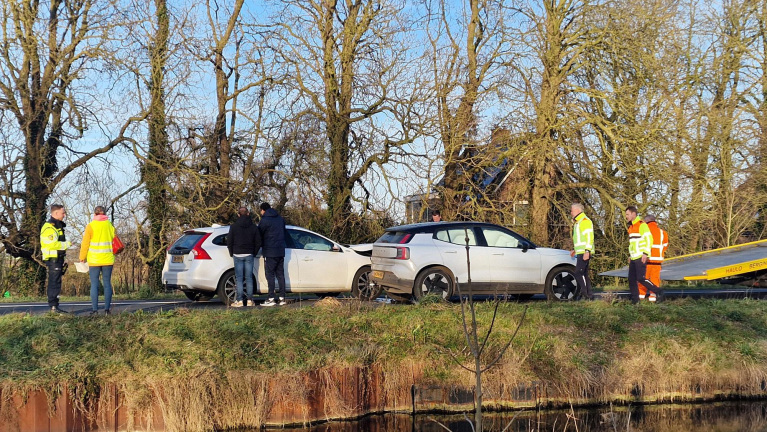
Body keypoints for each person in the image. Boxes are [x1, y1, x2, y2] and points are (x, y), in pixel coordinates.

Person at [79, 206, 117, 315]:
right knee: (107, 284)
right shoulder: (110, 226)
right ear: (105, 213)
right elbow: (114, 241)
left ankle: (95, 310)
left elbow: (85, 243)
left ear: (94, 214)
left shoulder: (90, 226)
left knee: (94, 284)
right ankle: (107, 310)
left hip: (94, 260)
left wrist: (82, 257)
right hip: (108, 259)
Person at [625, 206, 663, 304]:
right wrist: (630, 255)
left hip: (641, 256)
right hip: (634, 257)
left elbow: (649, 239)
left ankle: (658, 291)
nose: (626, 216)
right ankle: (635, 301)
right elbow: (632, 244)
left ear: (634, 214)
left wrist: (645, 253)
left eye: (627, 214)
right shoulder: (631, 227)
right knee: (631, 280)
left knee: (641, 278)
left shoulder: (642, 225)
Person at [227, 206, 262, 307]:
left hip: (237, 253)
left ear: (238, 214)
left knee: (239, 278)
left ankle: (240, 300)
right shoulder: (253, 227)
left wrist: (231, 252)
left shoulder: (233, 227)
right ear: (248, 213)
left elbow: (229, 241)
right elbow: (258, 242)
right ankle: (250, 300)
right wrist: (254, 252)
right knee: (249, 278)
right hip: (249, 254)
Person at [40, 204, 71, 314]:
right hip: (53, 258)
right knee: (54, 282)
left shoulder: (58, 226)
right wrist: (67, 244)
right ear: (56, 213)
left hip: (58, 258)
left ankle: (55, 306)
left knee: (56, 282)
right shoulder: (49, 227)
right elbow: (52, 244)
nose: (64, 215)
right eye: (63, 213)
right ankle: (53, 307)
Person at [258, 202, 286, 307]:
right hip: (280, 251)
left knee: (270, 275)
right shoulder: (280, 219)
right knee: (280, 274)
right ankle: (282, 298)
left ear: (263, 210)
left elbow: (259, 234)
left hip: (270, 251)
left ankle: (271, 298)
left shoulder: (264, 220)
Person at [640, 214, 668, 302]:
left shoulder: (644, 231)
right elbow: (665, 245)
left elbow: (640, 245)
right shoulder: (662, 232)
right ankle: (653, 297)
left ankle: (640, 296)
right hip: (657, 261)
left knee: (643, 279)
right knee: (655, 279)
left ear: (647, 221)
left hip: (646, 260)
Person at [569, 203, 594, 300]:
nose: (571, 212)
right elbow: (580, 239)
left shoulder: (584, 221)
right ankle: (588, 295)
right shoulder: (578, 222)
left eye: (572, 210)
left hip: (584, 252)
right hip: (581, 252)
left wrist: (587, 251)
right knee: (583, 274)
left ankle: (586, 294)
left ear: (578, 211)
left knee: (579, 273)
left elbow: (589, 237)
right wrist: (575, 249)